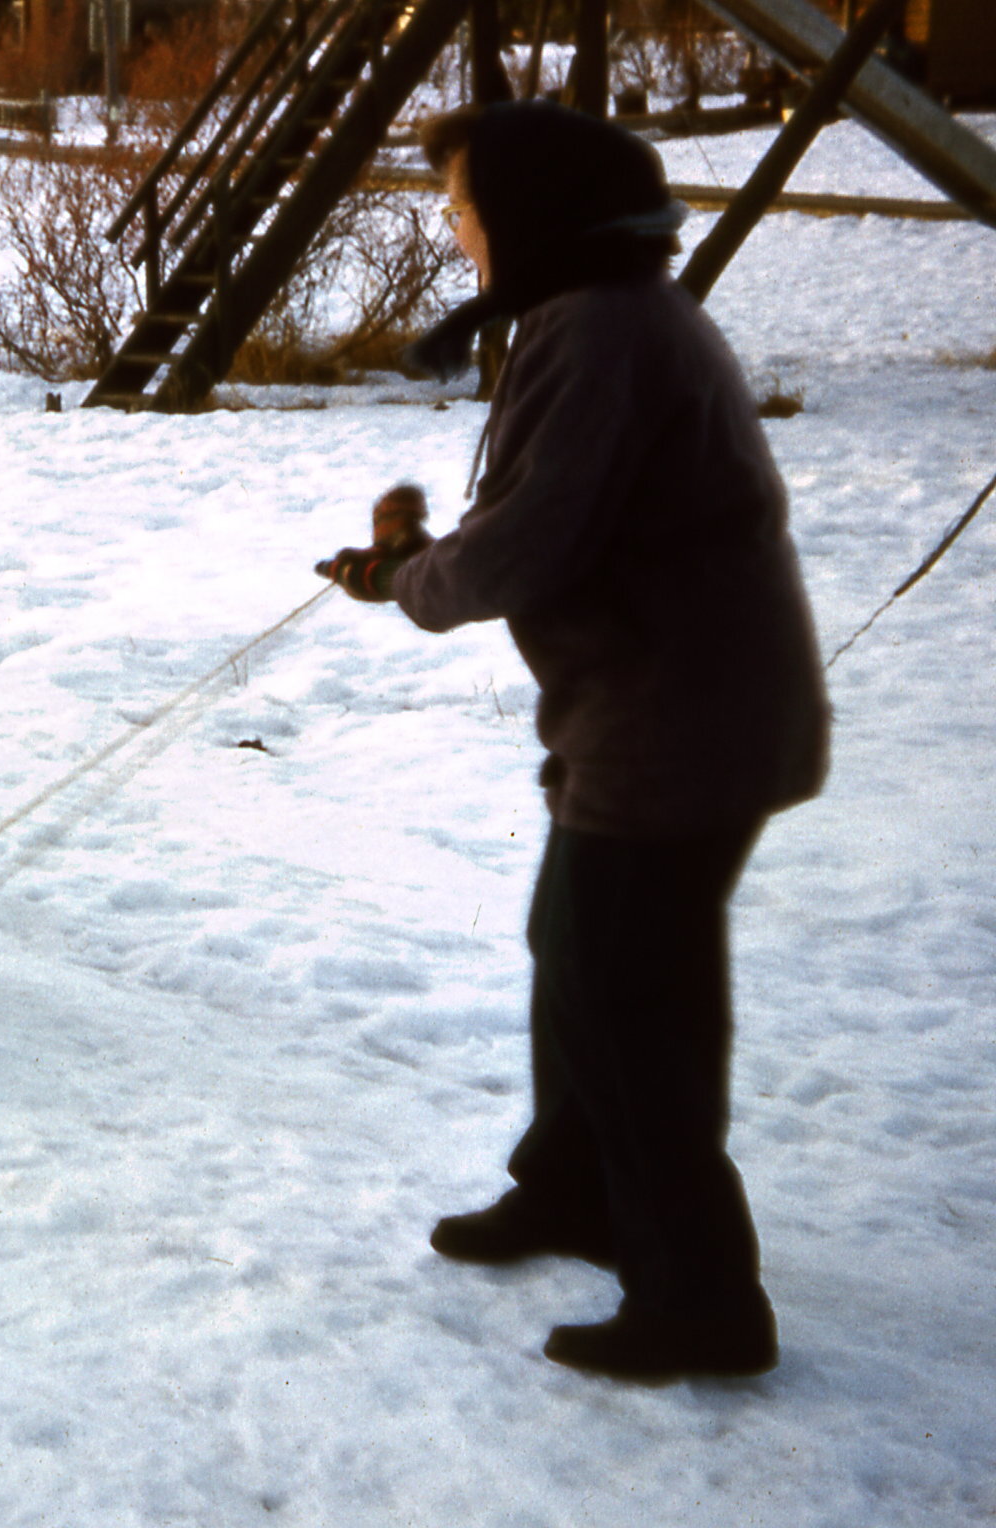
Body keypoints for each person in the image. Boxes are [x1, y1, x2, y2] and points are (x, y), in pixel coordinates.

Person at [322, 101, 830, 1382]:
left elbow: (538, 535)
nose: (453, 230)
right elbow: (547, 505)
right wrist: (413, 558)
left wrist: (414, 582)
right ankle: (575, 1190)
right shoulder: (598, 314)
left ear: (532, 216)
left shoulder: (602, 328)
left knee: (628, 992)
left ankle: (702, 1296)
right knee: (580, 949)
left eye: (464, 208)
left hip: (677, 722)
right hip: (661, 709)